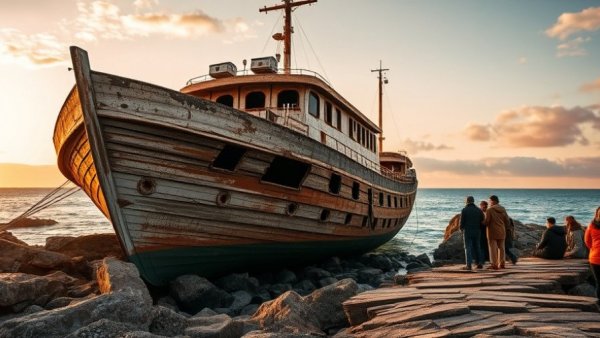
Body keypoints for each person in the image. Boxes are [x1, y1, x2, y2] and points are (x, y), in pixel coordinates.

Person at [484, 195, 510, 269]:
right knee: (501, 248)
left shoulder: (490, 210)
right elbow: (507, 221)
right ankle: (502, 263)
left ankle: (494, 264)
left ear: (493, 201)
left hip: (492, 232)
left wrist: (481, 222)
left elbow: (487, 221)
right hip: (502, 231)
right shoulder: (503, 209)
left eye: (489, 201)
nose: (489, 203)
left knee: (493, 248)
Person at [460, 196, 485, 270]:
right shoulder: (479, 210)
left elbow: (462, 222)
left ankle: (469, 265)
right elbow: (482, 221)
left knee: (468, 248)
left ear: (467, 201)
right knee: (477, 247)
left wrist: (461, 229)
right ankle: (479, 263)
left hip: (467, 231)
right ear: (473, 201)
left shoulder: (464, 210)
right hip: (477, 231)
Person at [584, 207, 600, 305]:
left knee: (598, 282)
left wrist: (594, 249)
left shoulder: (591, 225)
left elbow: (587, 241)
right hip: (595, 257)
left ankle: (598, 305)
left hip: (595, 258)